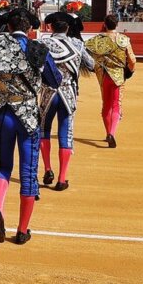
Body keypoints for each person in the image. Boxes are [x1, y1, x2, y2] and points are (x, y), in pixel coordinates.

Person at [0, 8, 61, 244]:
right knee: (28, 172)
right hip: (28, 117)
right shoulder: (36, 49)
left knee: (2, 167)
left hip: (2, 114)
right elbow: (55, 80)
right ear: (29, 29)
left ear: (8, 27)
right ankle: (22, 231)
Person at [37, 12, 93, 192]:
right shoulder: (76, 44)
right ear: (68, 28)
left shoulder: (42, 43)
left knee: (44, 130)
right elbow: (91, 65)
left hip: (48, 93)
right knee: (65, 133)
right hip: (68, 93)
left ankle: (47, 169)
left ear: (51, 27)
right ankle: (62, 178)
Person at [85, 14, 136, 149]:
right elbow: (132, 61)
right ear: (117, 24)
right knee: (116, 105)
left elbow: (85, 54)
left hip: (103, 76)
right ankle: (112, 133)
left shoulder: (95, 40)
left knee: (106, 105)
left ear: (105, 24)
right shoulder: (123, 39)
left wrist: (94, 67)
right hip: (118, 76)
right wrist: (130, 71)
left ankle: (108, 132)